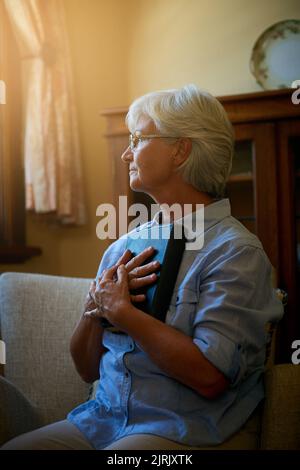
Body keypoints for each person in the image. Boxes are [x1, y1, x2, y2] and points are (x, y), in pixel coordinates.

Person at [1, 84, 283, 450]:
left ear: (181, 149)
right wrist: (95, 309)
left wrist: (123, 313)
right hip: (101, 420)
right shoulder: (124, 246)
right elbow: (86, 369)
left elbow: (211, 378)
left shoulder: (235, 252)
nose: (125, 154)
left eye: (137, 138)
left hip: (185, 428)